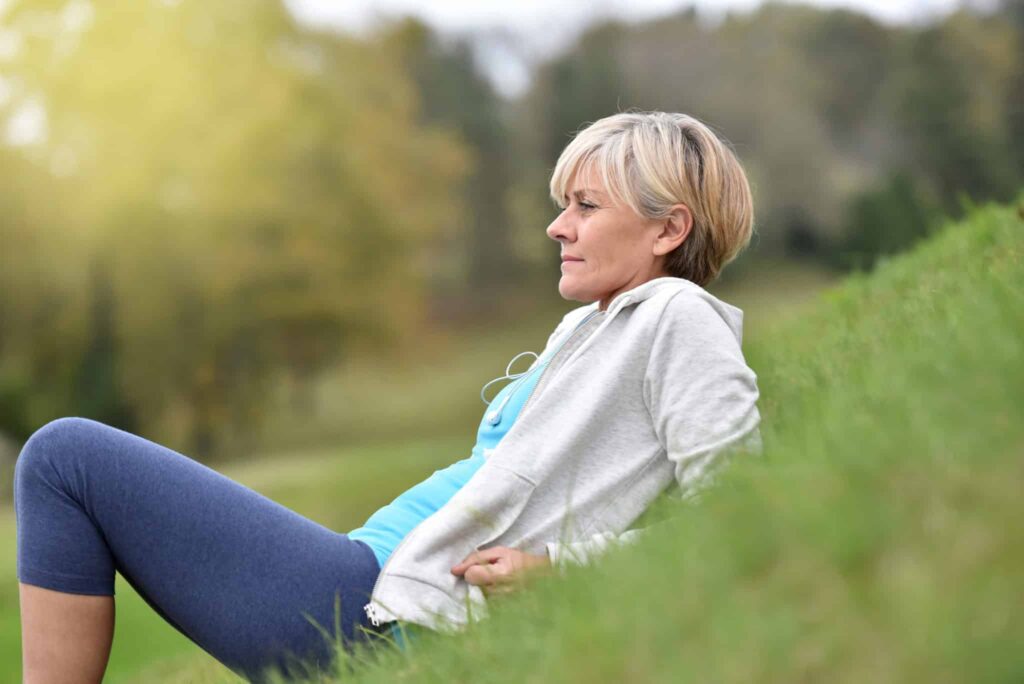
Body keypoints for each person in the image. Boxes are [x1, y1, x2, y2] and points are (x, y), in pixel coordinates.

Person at [13, 110, 761, 683]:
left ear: (669, 228)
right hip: (369, 586)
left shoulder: (677, 318)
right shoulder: (591, 325)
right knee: (66, 462)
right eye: (563, 204)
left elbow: (738, 514)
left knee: (65, 459)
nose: (556, 226)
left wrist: (559, 572)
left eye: (586, 207)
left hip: (375, 616)